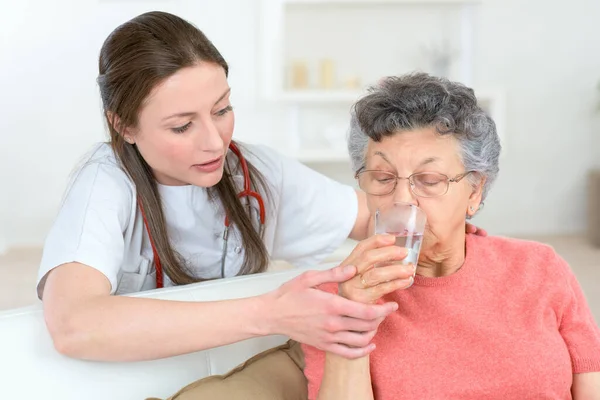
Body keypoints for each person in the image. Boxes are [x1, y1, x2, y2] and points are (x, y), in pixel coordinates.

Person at [37, 11, 488, 362]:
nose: (215, 141)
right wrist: (269, 312)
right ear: (124, 126)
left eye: (221, 109)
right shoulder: (105, 182)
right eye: (181, 126)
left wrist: (459, 229)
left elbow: (377, 215)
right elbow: (74, 325)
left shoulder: (252, 172)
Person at [301, 73, 600, 399]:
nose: (402, 199)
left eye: (428, 179)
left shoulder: (540, 267)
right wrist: (353, 314)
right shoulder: (337, 296)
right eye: (383, 177)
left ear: (475, 190)